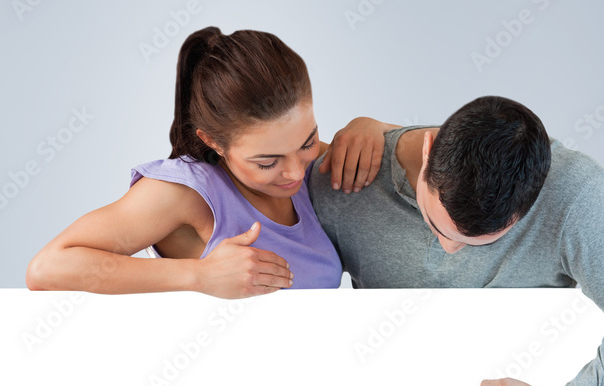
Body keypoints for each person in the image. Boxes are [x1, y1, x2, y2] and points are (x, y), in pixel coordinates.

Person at [308, 96, 604, 386]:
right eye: (436, 223)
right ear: (429, 150)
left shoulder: (577, 197)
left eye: (478, 241)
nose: (449, 248)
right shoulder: (343, 181)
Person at [26, 27, 385, 298]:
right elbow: (47, 268)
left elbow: (439, 151)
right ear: (213, 142)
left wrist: (372, 126)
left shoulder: (305, 161)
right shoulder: (186, 191)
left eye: (308, 141)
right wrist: (198, 276)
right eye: (266, 163)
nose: (295, 171)